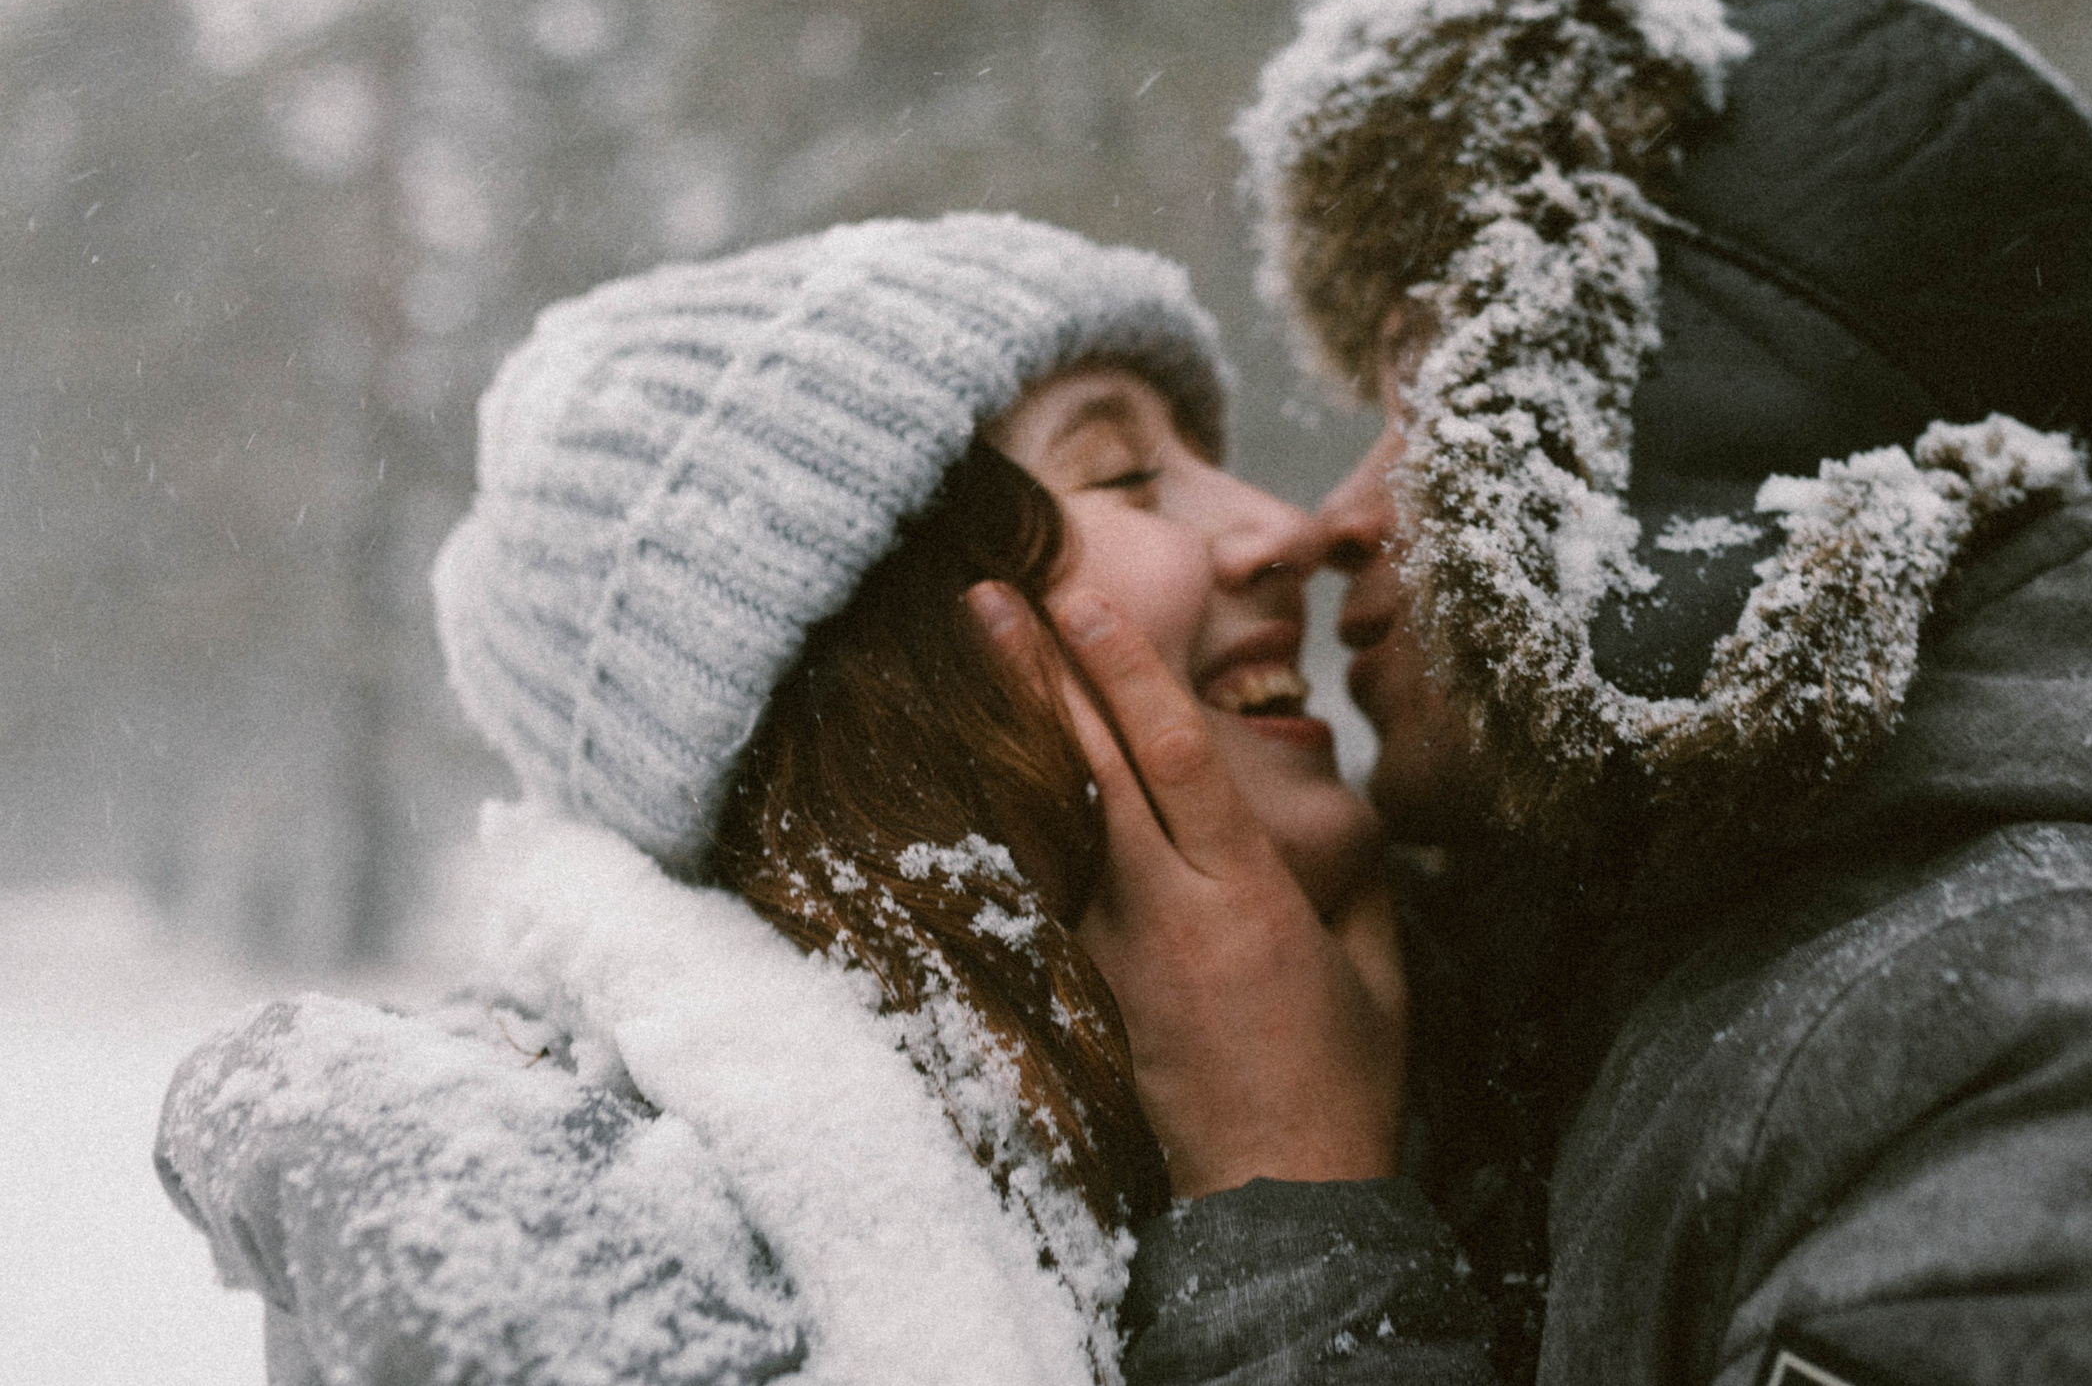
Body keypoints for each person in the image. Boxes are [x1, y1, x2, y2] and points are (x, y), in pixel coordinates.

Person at [1078, 0, 2092, 1382]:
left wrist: (1298, 1222)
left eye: (1434, 387)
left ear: (1670, 429)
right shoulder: (1755, 956)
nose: (1324, 519)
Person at [152, 212, 1400, 1386]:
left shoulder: (1457, 1033)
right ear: (871, 681)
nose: (1285, 526)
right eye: (1123, 472)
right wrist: (1296, 1224)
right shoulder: (605, 1297)